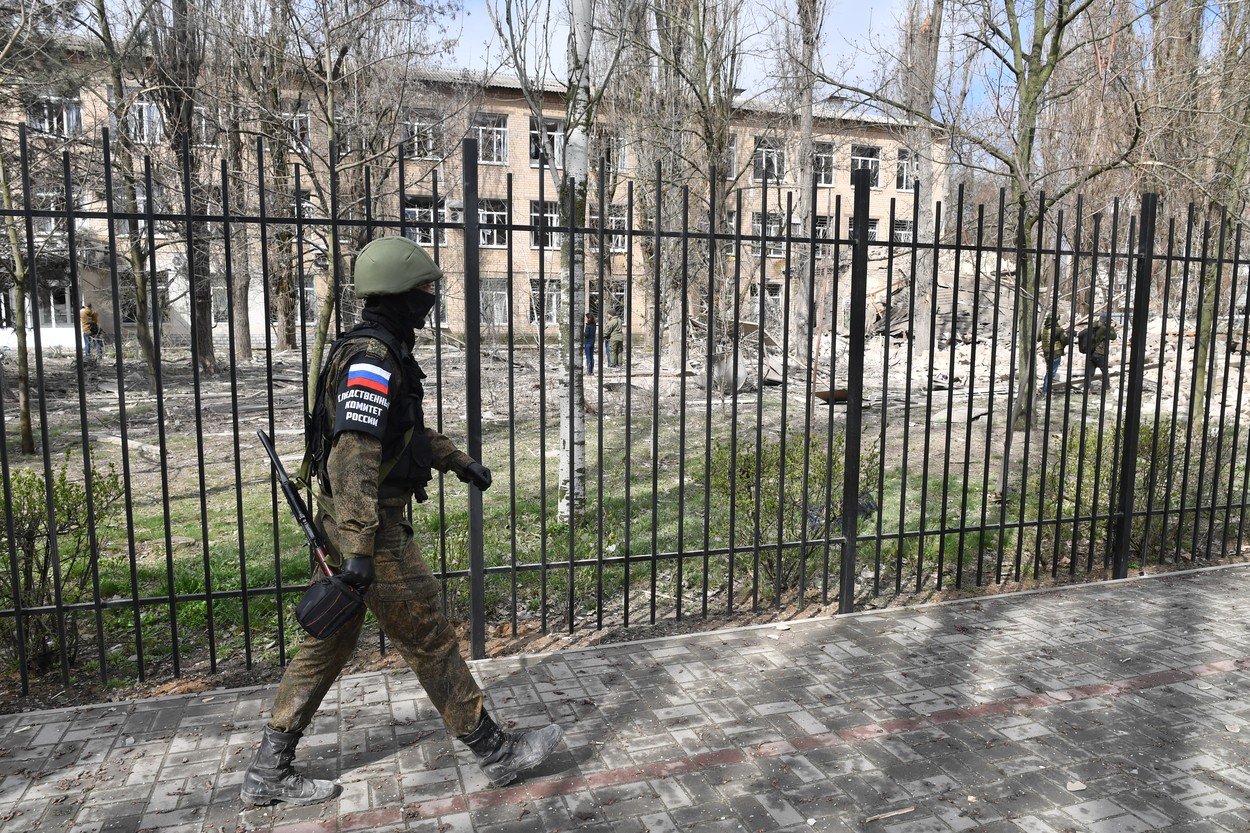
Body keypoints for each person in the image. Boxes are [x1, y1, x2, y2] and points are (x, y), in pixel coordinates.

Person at [241, 236, 563, 808]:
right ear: (396, 295)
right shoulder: (372, 357)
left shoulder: (377, 348)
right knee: (428, 636)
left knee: (328, 642)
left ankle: (269, 769)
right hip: (371, 530)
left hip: (348, 523)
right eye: (422, 290)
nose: (430, 300)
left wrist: (456, 460)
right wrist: (361, 548)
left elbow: (401, 432)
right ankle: (495, 751)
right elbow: (354, 455)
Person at [1078, 313, 1117, 388]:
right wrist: (1111, 327)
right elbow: (1113, 336)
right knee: (1104, 371)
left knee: (1089, 372)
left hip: (1091, 352)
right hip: (1100, 353)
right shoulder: (1104, 328)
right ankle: (1106, 387)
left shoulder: (1093, 325)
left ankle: (1087, 387)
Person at [1038, 314, 1068, 394]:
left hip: (1046, 354)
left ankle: (1046, 388)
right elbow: (1065, 340)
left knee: (1049, 370)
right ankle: (1046, 390)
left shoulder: (1043, 330)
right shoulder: (1058, 330)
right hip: (1056, 353)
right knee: (1051, 372)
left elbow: (1038, 339)